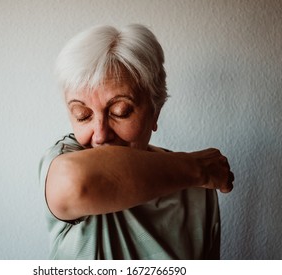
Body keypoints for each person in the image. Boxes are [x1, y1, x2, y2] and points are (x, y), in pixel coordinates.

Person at [39, 24, 234, 259]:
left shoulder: (198, 191)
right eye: (83, 114)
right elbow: (74, 182)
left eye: (120, 111)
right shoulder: (65, 158)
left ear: (155, 111)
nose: (100, 135)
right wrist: (196, 168)